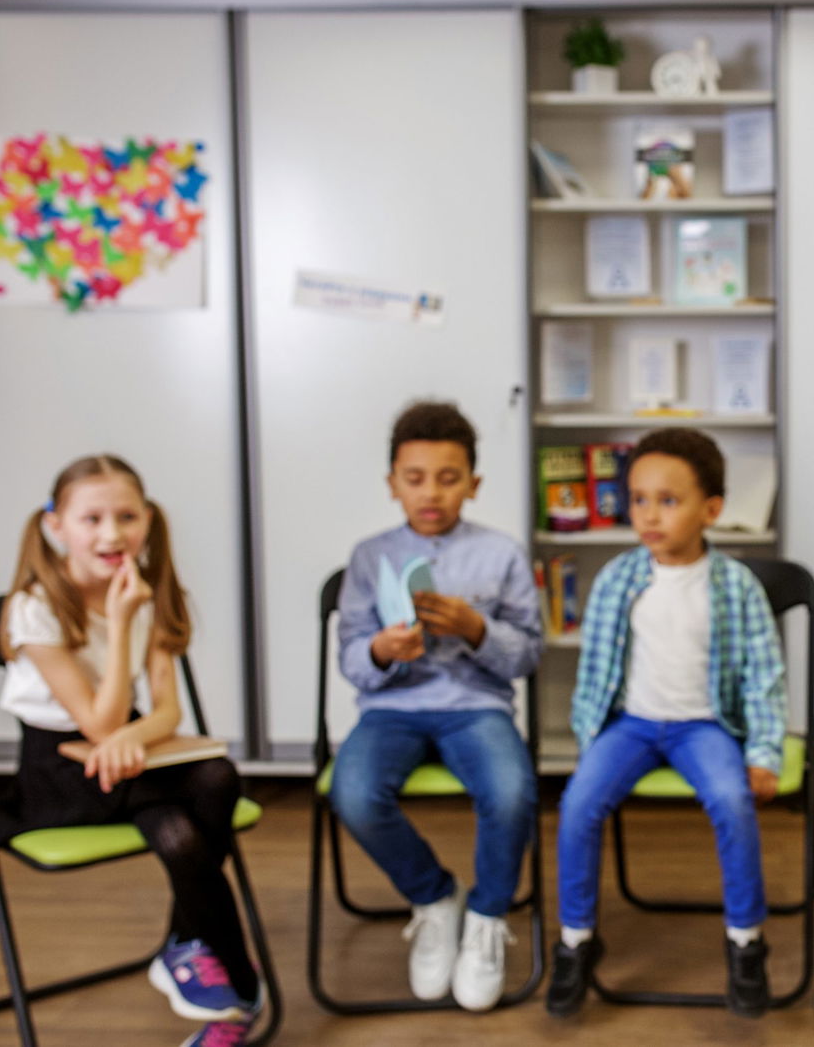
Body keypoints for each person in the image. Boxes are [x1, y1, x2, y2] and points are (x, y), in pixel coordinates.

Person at [0, 455, 262, 1047]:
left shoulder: (152, 593)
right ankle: (237, 991)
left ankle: (187, 950)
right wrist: (119, 626)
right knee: (183, 827)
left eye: (126, 516)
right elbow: (96, 719)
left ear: (148, 519)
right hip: (60, 767)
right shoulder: (35, 606)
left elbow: (165, 712)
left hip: (128, 753)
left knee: (217, 779)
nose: (112, 534)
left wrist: (128, 739)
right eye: (91, 518)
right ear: (55, 525)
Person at [547, 427, 785, 1019]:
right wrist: (588, 740)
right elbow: (594, 672)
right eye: (639, 498)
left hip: (703, 727)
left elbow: (764, 676)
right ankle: (575, 940)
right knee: (578, 804)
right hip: (630, 725)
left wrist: (764, 752)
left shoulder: (735, 586)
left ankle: (746, 942)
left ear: (711, 510)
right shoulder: (618, 581)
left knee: (731, 801)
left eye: (668, 501)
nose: (649, 515)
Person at [331, 400, 542, 1011]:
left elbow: (527, 656)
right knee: (354, 793)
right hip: (390, 708)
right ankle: (433, 896)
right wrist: (382, 648)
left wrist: (477, 629)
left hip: (476, 706)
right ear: (392, 483)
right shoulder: (370, 557)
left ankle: (486, 917)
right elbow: (350, 658)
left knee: (510, 792)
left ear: (473, 485)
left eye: (449, 479)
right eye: (415, 478)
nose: (431, 493)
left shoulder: (501, 554)